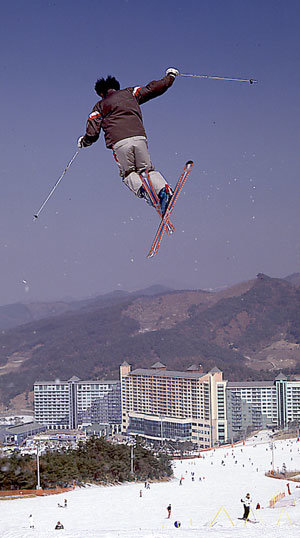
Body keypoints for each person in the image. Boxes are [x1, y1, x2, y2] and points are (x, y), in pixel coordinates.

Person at [78, 68, 179, 215]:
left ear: (101, 93)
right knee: (147, 170)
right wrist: (170, 77)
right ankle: (164, 191)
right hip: (139, 138)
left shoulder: (99, 106)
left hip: (119, 143)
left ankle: (144, 191)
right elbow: (153, 89)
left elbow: (92, 133)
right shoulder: (130, 93)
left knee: (128, 173)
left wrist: (84, 142)